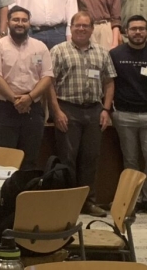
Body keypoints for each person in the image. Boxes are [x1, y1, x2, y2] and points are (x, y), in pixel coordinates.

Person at [47, 12, 114, 217]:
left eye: (86, 26)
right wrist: (56, 111)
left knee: (90, 159)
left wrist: (106, 109)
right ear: (71, 27)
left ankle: (88, 202)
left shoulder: (102, 52)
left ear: (92, 29)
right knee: (67, 159)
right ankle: (69, 204)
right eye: (78, 25)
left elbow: (109, 82)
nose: (82, 29)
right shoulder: (59, 51)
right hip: (68, 110)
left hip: (94, 110)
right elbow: (49, 83)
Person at [110, 15, 147, 216]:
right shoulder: (115, 54)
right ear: (126, 31)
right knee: (130, 160)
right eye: (134, 28)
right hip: (124, 115)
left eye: (142, 29)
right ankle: (132, 199)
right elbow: (109, 84)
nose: (138, 32)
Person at [0, 7, 53, 170]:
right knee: (4, 162)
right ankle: (5, 196)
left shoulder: (40, 47)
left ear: (29, 23)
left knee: (30, 161)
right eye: (16, 20)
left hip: (33, 109)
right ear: (8, 22)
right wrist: (16, 100)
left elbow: (47, 76)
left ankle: (25, 195)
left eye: (24, 20)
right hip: (4, 110)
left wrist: (29, 98)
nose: (20, 23)